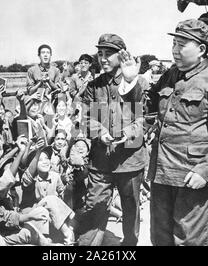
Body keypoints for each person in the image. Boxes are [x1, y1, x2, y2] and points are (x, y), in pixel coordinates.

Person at [146, 19, 208, 246]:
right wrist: (131, 80)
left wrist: (205, 172)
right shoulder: (170, 75)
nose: (175, 51)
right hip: (162, 174)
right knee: (160, 237)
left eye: (182, 45)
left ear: (201, 49)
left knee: (190, 241)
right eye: (174, 44)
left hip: (193, 177)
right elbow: (149, 110)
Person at [77, 33, 148, 246]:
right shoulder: (94, 85)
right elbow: (86, 117)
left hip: (130, 160)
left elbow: (146, 118)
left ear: (122, 55)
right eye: (100, 53)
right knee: (95, 205)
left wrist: (128, 133)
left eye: (109, 53)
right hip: (101, 161)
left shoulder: (139, 83)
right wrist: (100, 133)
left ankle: (129, 246)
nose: (103, 58)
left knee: (130, 209)